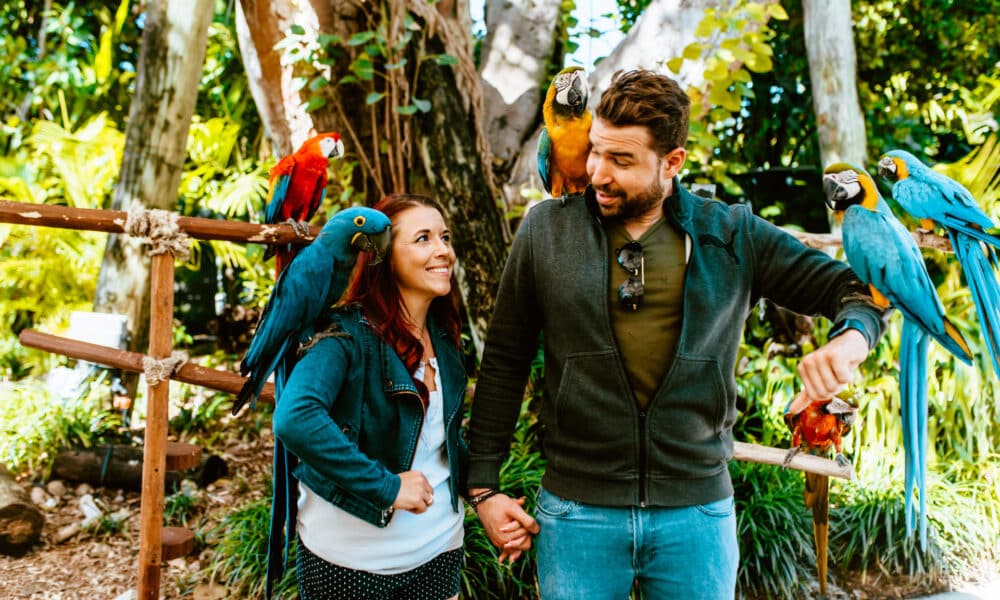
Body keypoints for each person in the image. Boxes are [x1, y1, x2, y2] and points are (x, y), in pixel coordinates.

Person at [466, 69, 888, 599]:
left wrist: (851, 340)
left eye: (621, 161)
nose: (597, 172)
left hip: (697, 518)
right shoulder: (546, 230)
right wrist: (483, 487)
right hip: (576, 514)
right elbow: (505, 359)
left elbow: (855, 290)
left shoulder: (731, 233)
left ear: (672, 163)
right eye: (596, 150)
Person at [273, 194, 471, 600]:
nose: (443, 250)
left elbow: (440, 442)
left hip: (440, 552)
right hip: (352, 565)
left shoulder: (444, 336)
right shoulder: (344, 335)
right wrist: (387, 487)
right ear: (385, 255)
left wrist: (485, 494)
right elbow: (294, 418)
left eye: (444, 237)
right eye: (423, 238)